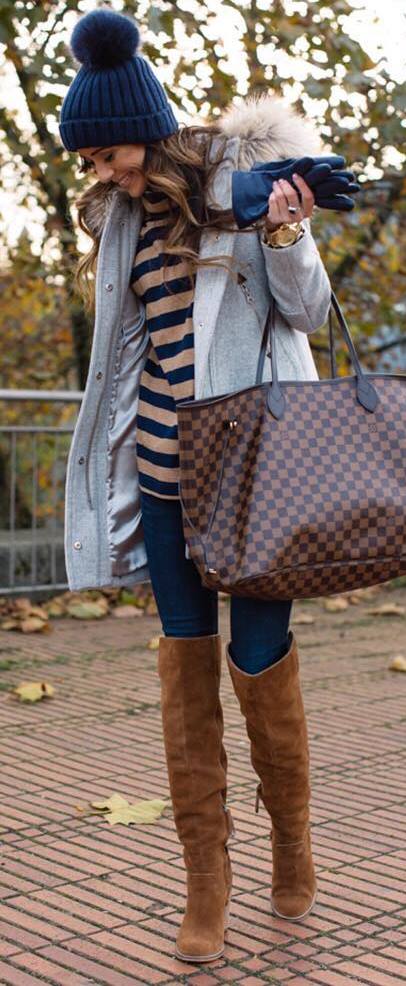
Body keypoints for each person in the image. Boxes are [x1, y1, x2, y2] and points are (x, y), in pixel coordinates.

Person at [59, 7, 332, 965]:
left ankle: (292, 843)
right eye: (90, 161)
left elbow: (307, 312)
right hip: (170, 480)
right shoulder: (121, 226)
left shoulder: (239, 193)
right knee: (184, 668)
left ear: (143, 129)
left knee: (260, 660)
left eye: (105, 154)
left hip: (256, 479)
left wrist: (289, 231)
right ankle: (204, 880)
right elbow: (123, 364)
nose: (101, 172)